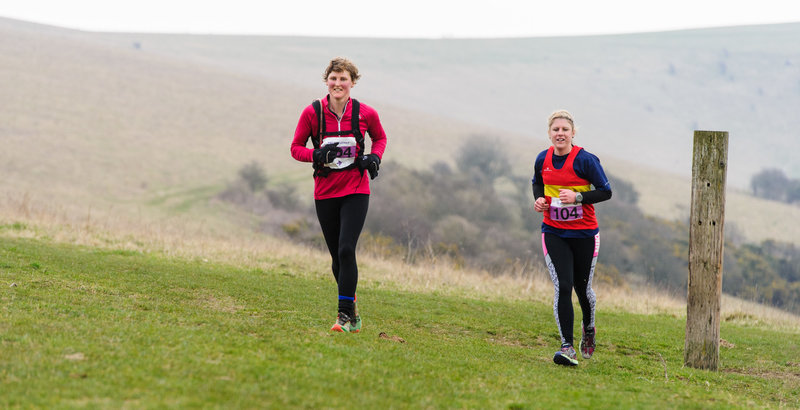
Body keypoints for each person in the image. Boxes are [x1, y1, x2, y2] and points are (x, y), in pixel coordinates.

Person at [290, 57, 387, 333]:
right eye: (333, 78)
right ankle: (353, 311)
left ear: (352, 83)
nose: (338, 83)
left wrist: (373, 158)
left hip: (356, 189)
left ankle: (343, 316)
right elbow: (295, 147)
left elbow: (380, 138)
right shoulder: (312, 113)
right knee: (337, 258)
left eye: (343, 79)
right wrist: (316, 154)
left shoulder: (366, 113)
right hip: (325, 192)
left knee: (347, 249)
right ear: (326, 82)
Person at [531, 110, 612, 366]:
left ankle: (589, 328)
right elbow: (537, 182)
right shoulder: (542, 158)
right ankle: (567, 347)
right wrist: (540, 200)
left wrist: (577, 197)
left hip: (585, 233)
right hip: (554, 231)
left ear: (573, 133)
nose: (560, 134)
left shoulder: (586, 161)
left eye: (565, 129)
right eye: (556, 130)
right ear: (549, 133)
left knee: (582, 288)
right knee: (563, 286)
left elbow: (605, 192)